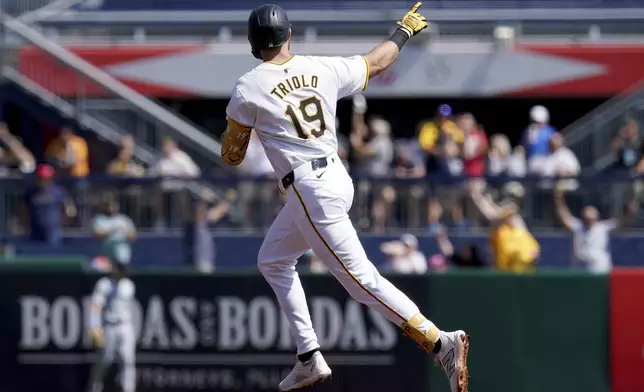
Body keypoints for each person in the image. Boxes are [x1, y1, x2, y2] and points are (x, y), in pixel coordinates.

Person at [220, 4, 469, 392]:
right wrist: (403, 30)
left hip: (308, 186)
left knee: (360, 280)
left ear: (253, 44)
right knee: (272, 260)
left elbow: (232, 156)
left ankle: (441, 343)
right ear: (289, 35)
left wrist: (241, 128)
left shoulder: (248, 86)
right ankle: (308, 357)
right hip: (336, 175)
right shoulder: (322, 68)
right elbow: (377, 63)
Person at [554, 189, 636, 274]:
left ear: (597, 216)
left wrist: (630, 213)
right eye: (586, 214)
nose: (589, 217)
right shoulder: (578, 227)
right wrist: (559, 200)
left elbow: (622, 223)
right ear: (582, 216)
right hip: (580, 270)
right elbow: (563, 216)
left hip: (600, 270)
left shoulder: (603, 227)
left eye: (592, 214)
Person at [86, 261, 136, 392]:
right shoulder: (104, 284)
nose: (119, 271)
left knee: (128, 359)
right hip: (109, 325)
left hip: (125, 325)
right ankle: (95, 387)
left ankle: (128, 389)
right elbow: (96, 306)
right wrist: (95, 327)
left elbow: (130, 309)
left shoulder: (129, 285)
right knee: (105, 360)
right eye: (118, 268)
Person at [470, 184, 539, 273]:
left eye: (514, 197)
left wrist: (477, 196)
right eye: (510, 197)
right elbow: (494, 213)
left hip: (520, 258)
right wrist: (484, 199)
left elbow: (492, 215)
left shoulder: (513, 213)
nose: (511, 200)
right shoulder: (502, 220)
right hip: (508, 262)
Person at [22, 163, 76, 246]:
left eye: (45, 178)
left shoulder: (58, 192)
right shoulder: (31, 193)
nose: (42, 180)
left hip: (53, 232)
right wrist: (24, 225)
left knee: (52, 255)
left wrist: (62, 223)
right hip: (34, 232)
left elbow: (69, 210)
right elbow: (23, 210)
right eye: (40, 178)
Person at [92, 193, 137, 268]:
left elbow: (133, 236)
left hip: (122, 256)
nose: (110, 207)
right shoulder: (99, 219)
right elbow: (97, 234)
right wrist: (112, 230)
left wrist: (123, 232)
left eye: (113, 205)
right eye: (108, 205)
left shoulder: (123, 219)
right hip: (105, 256)